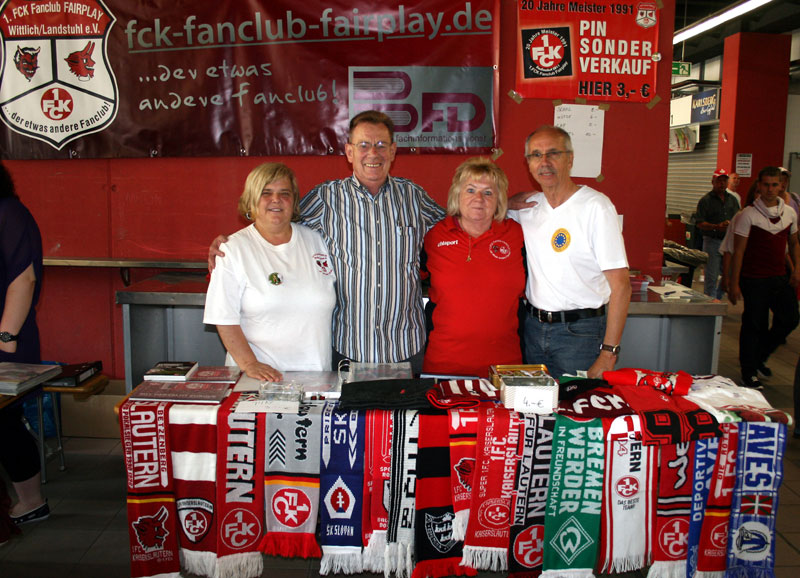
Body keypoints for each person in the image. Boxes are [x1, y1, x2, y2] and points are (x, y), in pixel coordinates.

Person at [209, 111, 445, 374]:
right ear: (349, 152)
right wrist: (230, 245)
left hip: (406, 345)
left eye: (381, 145)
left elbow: (456, 228)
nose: (373, 154)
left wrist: (499, 222)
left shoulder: (414, 197)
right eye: (363, 145)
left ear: (393, 151)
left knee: (403, 416)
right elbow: (276, 219)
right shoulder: (325, 199)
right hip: (348, 349)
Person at [509, 125, 631, 379]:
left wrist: (609, 354)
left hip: (580, 334)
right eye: (536, 155)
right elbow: (485, 210)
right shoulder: (526, 209)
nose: (544, 162)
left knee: (577, 412)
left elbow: (621, 286)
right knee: (535, 410)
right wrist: (507, 202)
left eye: (553, 153)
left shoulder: (596, 207)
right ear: (528, 164)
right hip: (533, 330)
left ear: (570, 159)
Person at [204, 163, 336, 381]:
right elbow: (224, 319)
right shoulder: (232, 250)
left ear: (293, 202)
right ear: (251, 199)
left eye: (284, 193)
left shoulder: (316, 241)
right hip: (258, 381)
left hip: (316, 377)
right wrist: (250, 364)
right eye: (266, 193)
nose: (276, 199)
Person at [421, 157, 525, 377]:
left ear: (499, 200)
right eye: (470, 190)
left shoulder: (518, 235)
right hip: (444, 365)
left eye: (488, 192)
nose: (479, 199)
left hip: (505, 368)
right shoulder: (432, 237)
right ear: (457, 196)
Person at [0, 163, 48, 527]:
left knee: (4, 421)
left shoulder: (9, 212)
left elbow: (24, 278)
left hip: (5, 337)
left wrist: (6, 338)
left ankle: (31, 501)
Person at [729, 166, 800, 389]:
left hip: (779, 277)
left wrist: (797, 269)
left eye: (774, 185)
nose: (770, 189)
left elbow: (794, 242)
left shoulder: (789, 213)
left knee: (790, 318)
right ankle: (749, 372)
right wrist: (733, 283)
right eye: (766, 185)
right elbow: (737, 251)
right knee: (754, 324)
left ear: (781, 186)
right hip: (754, 279)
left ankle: (759, 356)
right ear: (759, 186)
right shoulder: (747, 215)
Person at [695, 168, 740, 299]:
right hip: (712, 241)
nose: (722, 184)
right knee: (711, 275)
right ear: (713, 182)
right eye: (719, 181)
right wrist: (716, 227)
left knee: (729, 273)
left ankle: (717, 298)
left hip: (729, 241)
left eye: (724, 181)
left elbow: (738, 217)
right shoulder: (706, 200)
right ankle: (709, 304)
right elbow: (699, 223)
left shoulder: (732, 200)